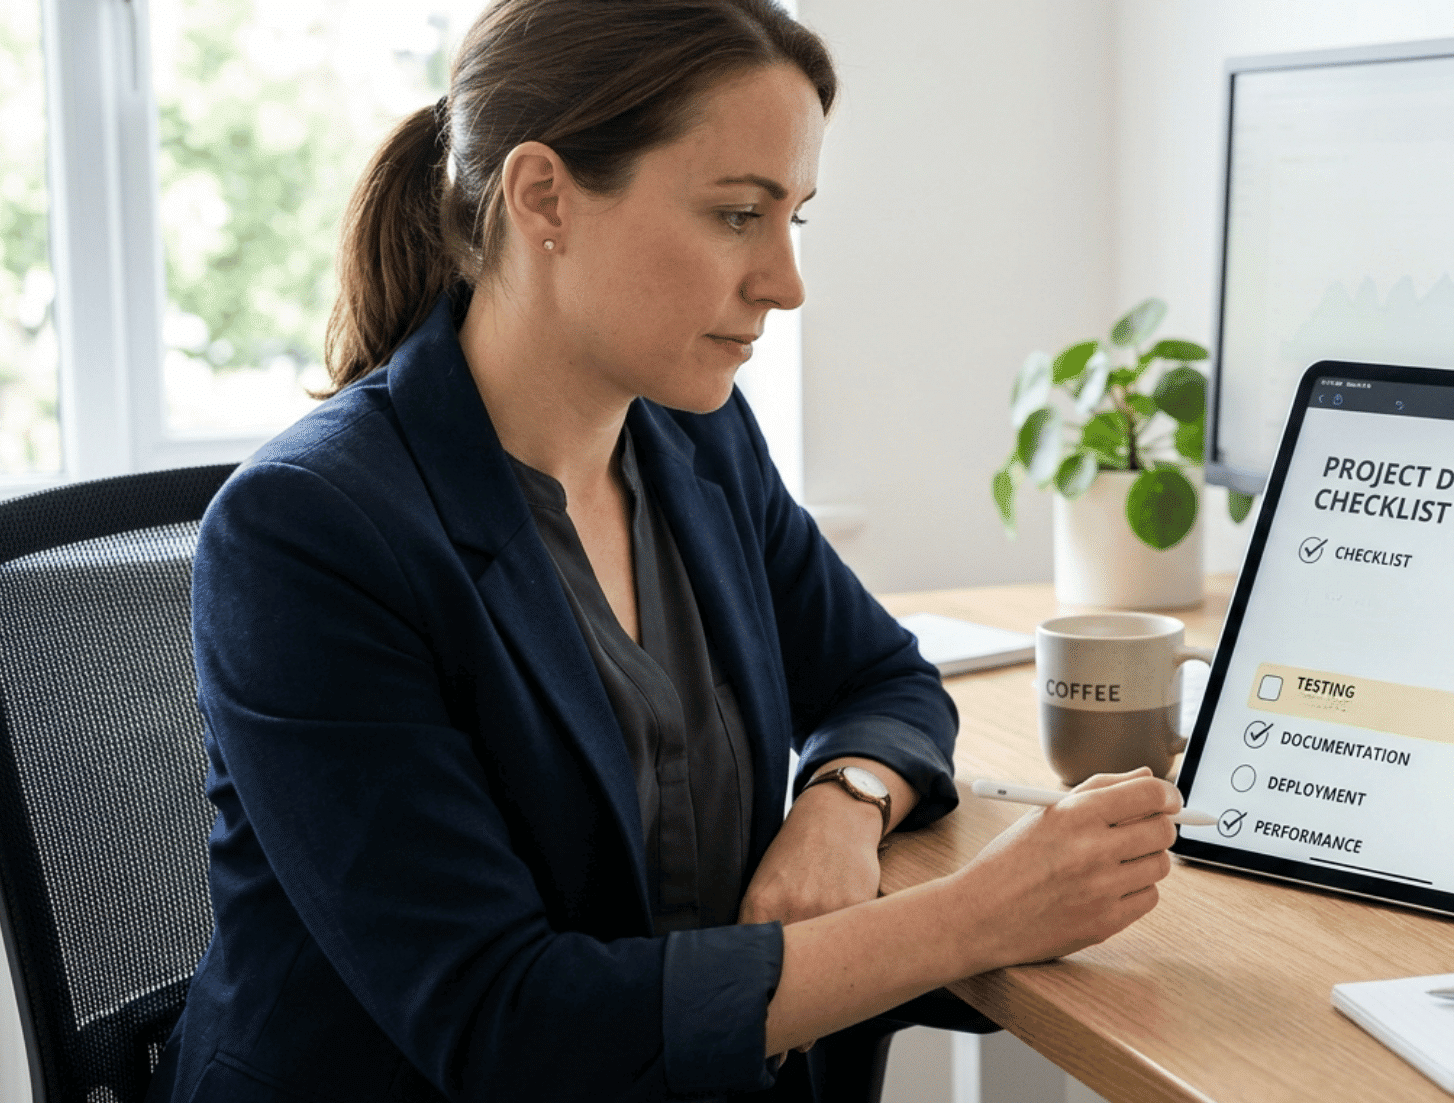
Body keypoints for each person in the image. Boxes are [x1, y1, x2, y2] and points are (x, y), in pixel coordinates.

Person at [149, 1, 1181, 1101]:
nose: (785, 280)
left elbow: (881, 675)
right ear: (544, 196)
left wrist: (843, 801)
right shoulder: (307, 534)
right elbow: (505, 1020)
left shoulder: (693, 434)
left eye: (796, 219)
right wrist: (973, 918)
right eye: (739, 214)